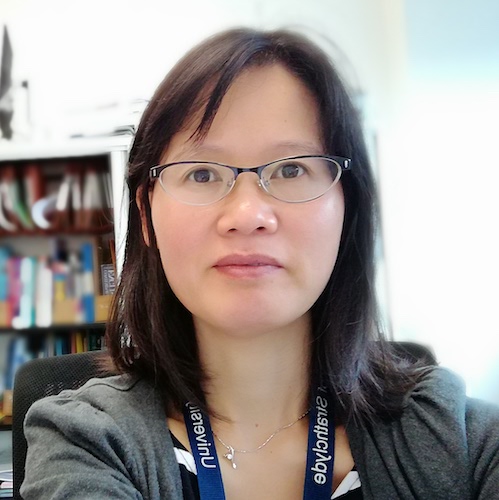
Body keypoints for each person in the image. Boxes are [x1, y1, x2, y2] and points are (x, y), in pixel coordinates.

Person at [21, 28, 499, 500]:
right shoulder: (85, 443)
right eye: (202, 173)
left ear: (347, 206)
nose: (248, 215)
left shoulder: (460, 438)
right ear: (146, 215)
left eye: (291, 169)